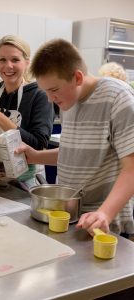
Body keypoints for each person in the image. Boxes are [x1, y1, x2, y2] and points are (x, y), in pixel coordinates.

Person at [16, 38, 134, 237]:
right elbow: (75, 152)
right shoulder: (68, 100)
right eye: (45, 91)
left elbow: (131, 168)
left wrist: (104, 214)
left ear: (77, 78)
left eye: (53, 90)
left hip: (104, 224)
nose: (49, 98)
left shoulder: (118, 99)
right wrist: (36, 156)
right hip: (70, 216)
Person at [0, 35, 53, 190]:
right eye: (2, 60)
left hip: (25, 183)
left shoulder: (40, 95)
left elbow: (38, 144)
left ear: (27, 63)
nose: (8, 66)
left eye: (15, 60)